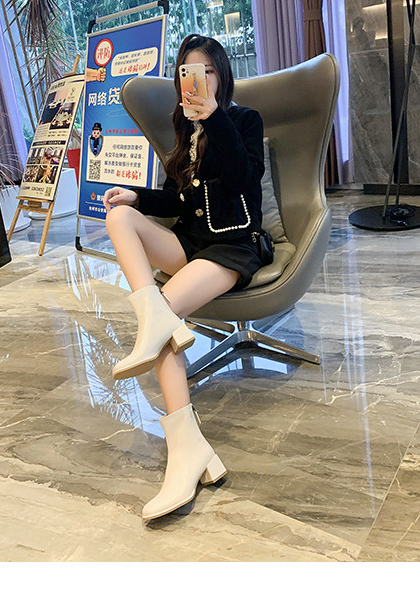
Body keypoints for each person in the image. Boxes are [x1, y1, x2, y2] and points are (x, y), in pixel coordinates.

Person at [102, 33, 271, 521]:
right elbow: (177, 199)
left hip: (234, 245)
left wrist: (214, 116)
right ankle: (194, 448)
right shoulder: (185, 131)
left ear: (221, 76)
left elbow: (243, 179)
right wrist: (137, 197)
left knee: (165, 316)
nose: (196, 81)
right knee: (119, 217)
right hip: (191, 244)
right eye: (187, 74)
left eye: (206, 72)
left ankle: (185, 453)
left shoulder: (242, 120)